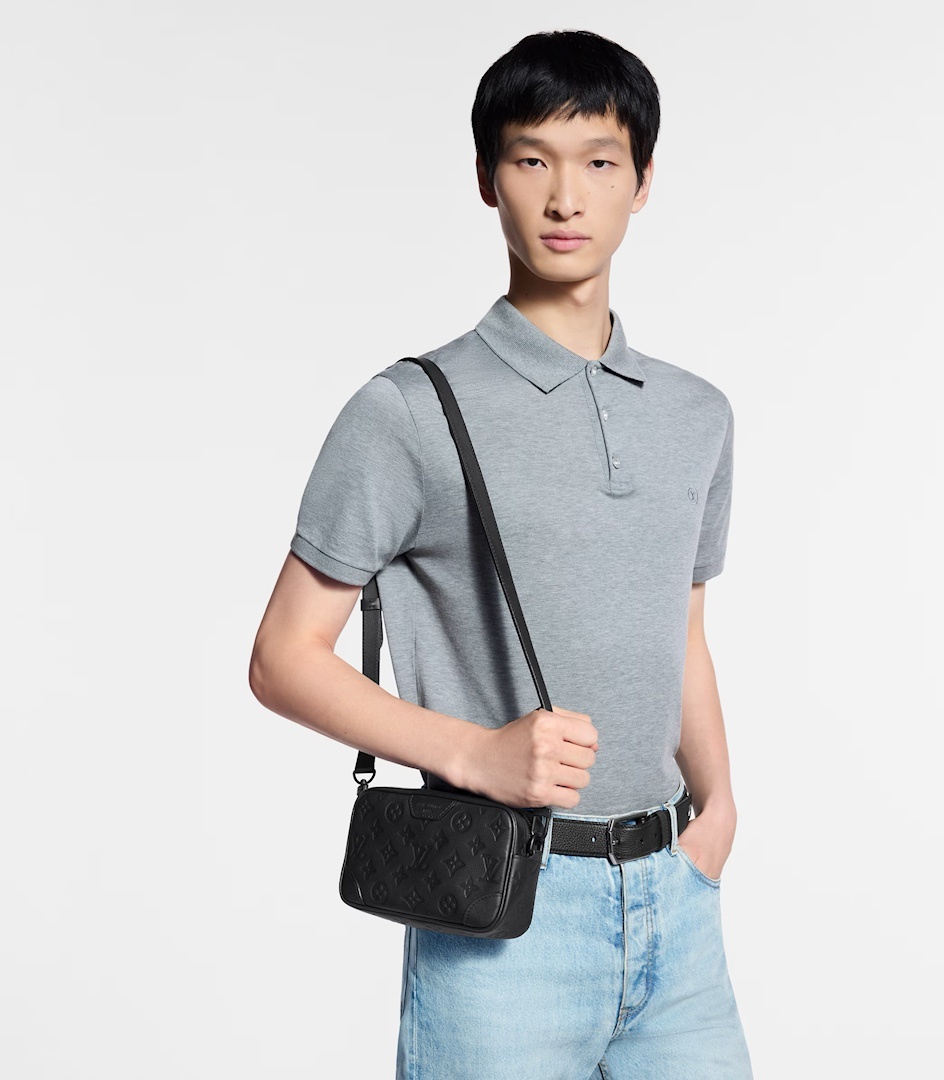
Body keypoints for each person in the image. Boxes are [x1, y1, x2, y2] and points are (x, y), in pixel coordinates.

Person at [249, 28, 754, 1080]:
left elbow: (682, 630)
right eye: (532, 159)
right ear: (488, 179)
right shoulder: (406, 411)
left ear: (643, 182)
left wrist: (720, 808)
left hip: (677, 903)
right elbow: (282, 657)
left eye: (599, 161)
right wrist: (472, 754)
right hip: (507, 917)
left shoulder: (697, 414)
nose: (565, 197)